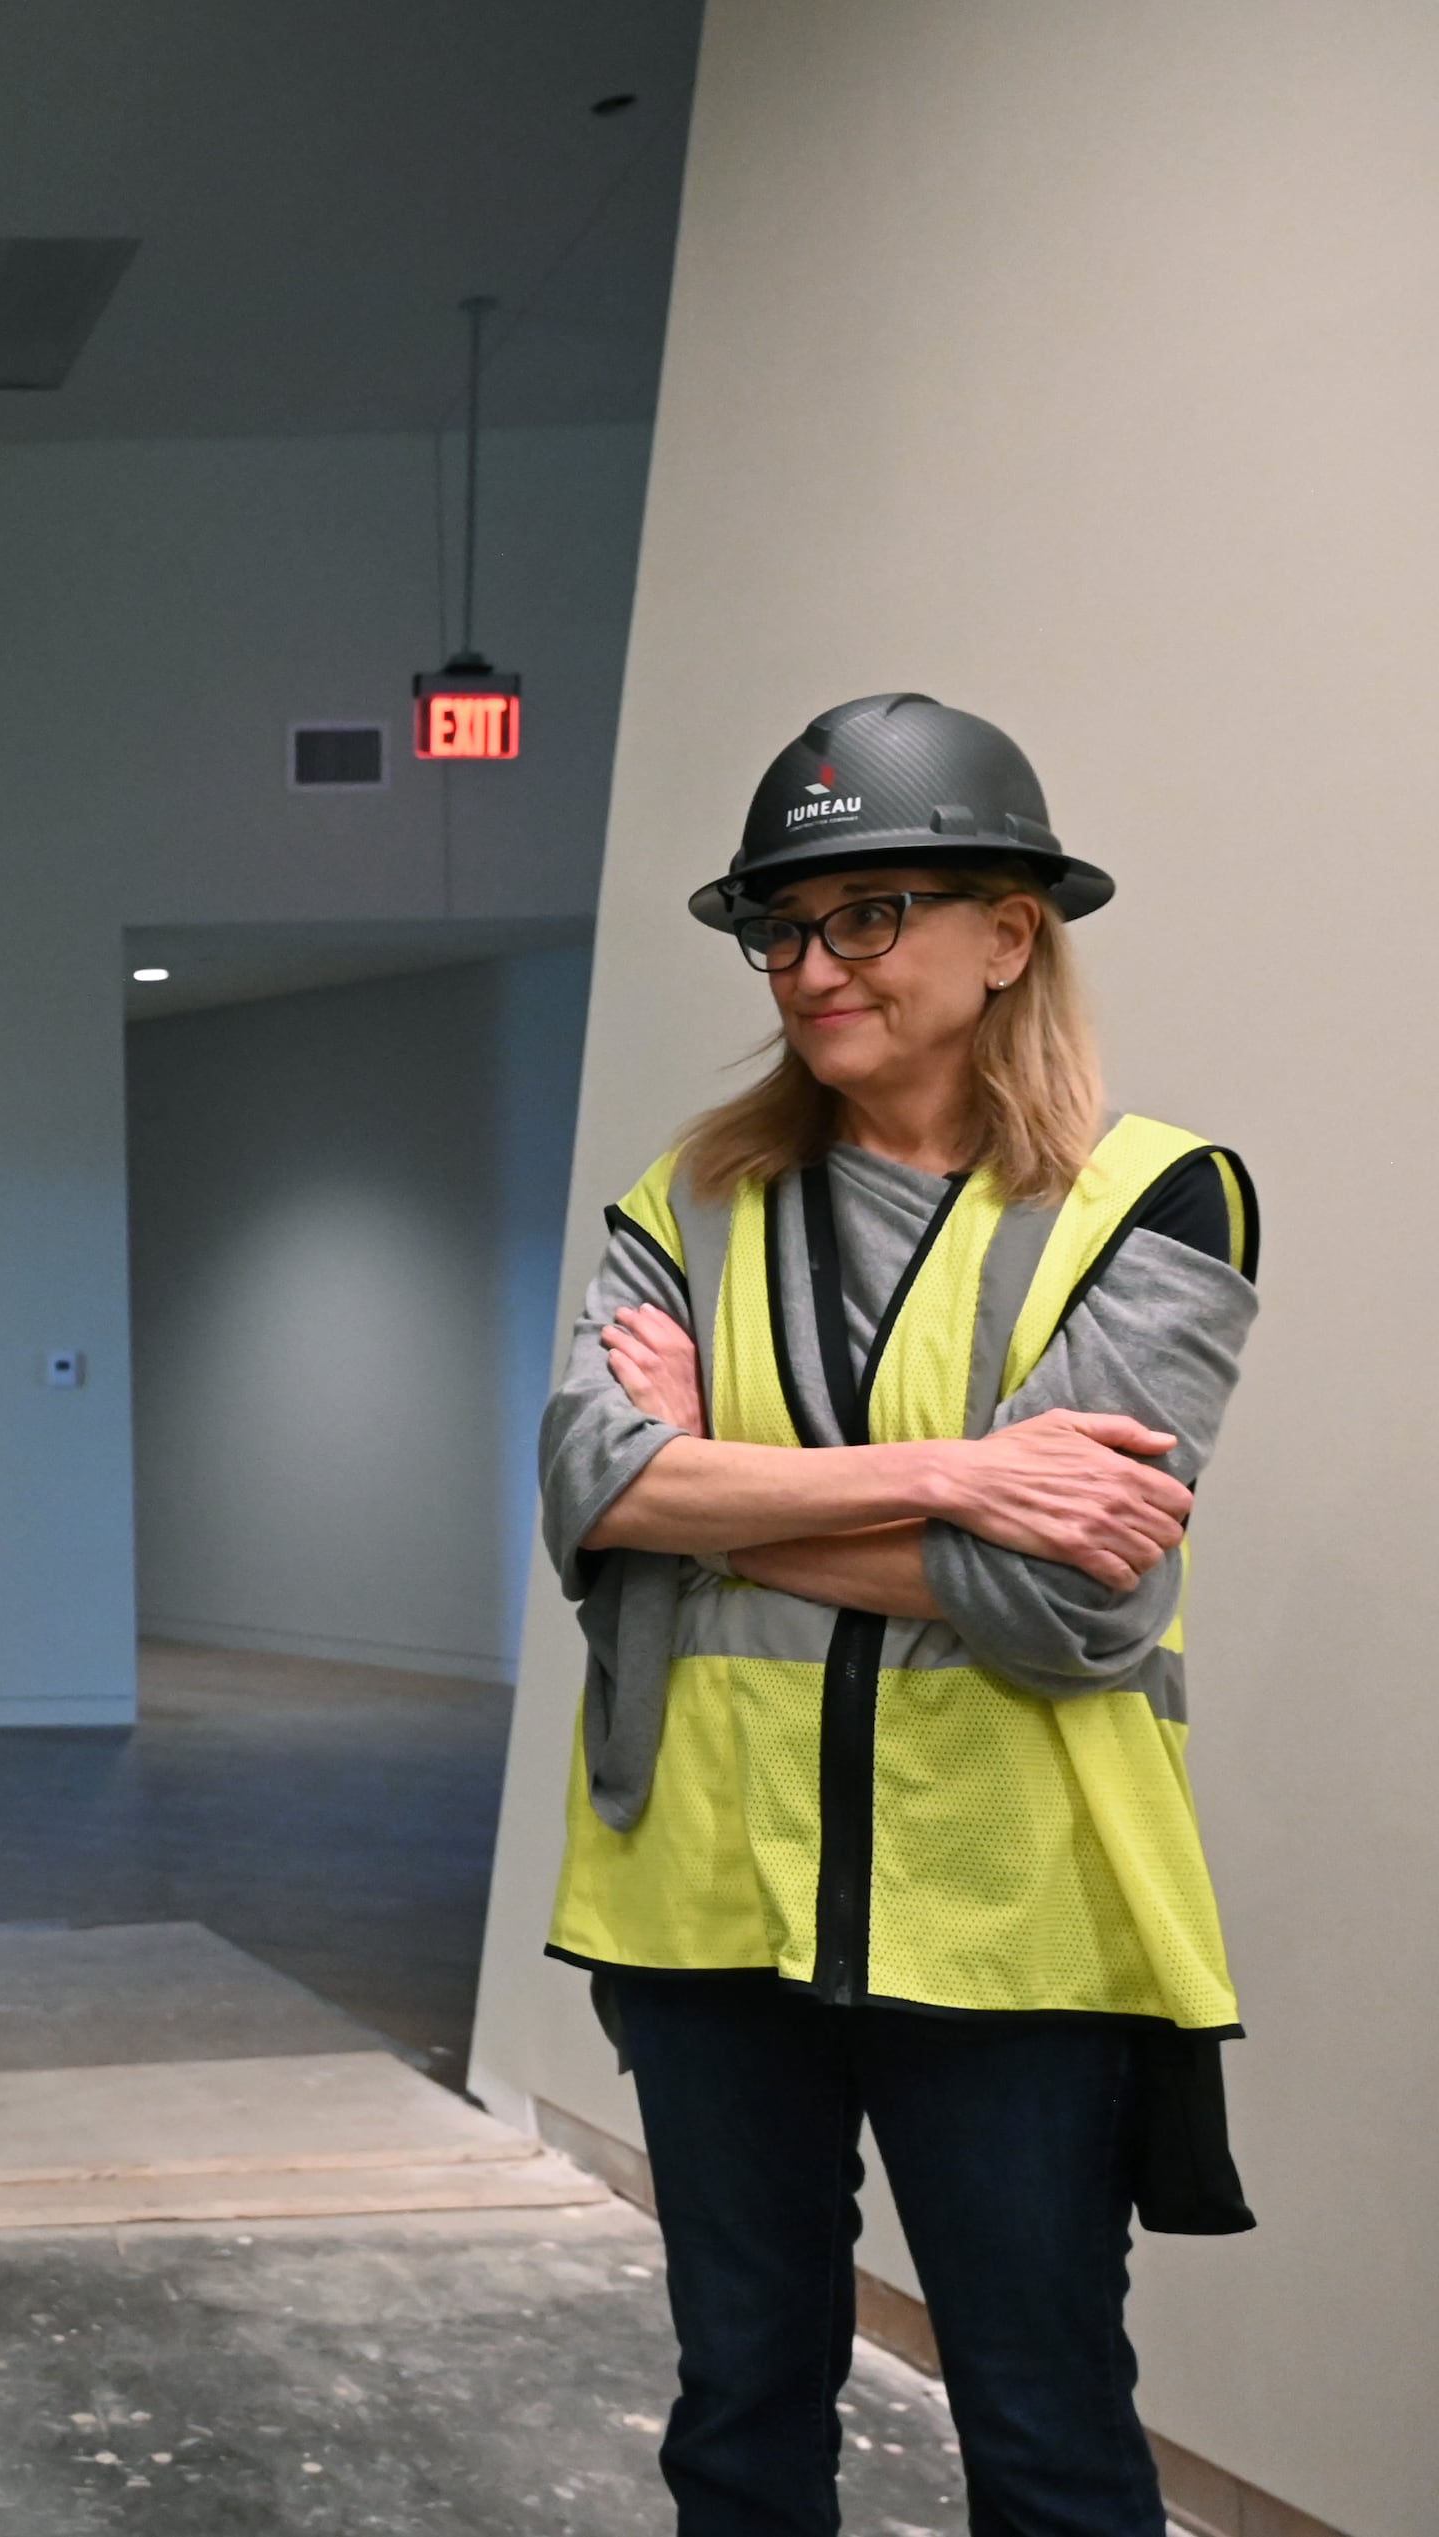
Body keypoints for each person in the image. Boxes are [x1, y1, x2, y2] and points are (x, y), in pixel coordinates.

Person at [538, 693, 1257, 2534]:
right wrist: (958, 1476)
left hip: (1011, 1912)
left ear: (1010, 932)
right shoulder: (686, 1199)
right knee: (742, 2403)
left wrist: (709, 1501)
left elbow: (1061, 1604)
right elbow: (591, 1490)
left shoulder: (1155, 1199)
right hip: (705, 1894)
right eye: (784, 923)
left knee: (1044, 2429)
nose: (808, 963)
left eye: (869, 913)